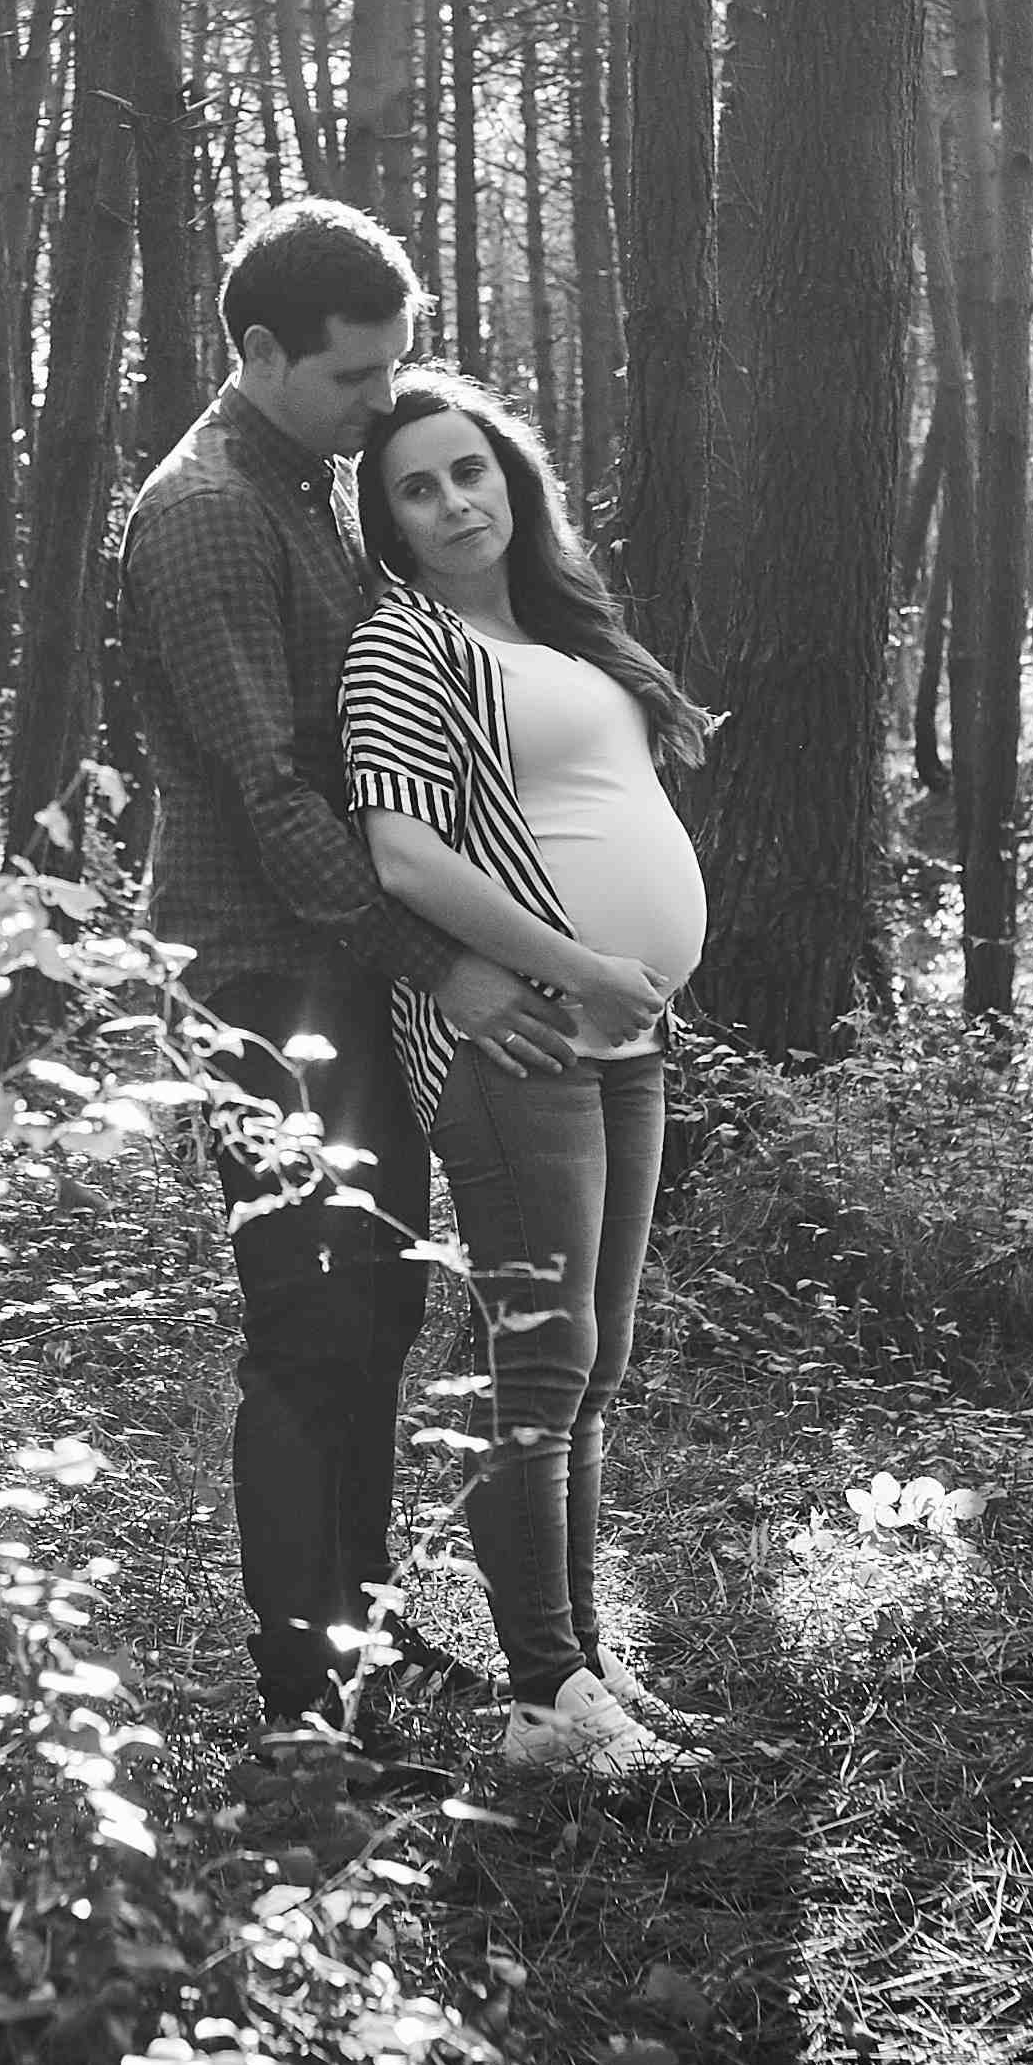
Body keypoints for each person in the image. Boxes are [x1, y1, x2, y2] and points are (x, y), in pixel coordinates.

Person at [116, 202, 576, 1778]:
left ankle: (359, 1640)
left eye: (395, 368)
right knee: (312, 1323)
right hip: (265, 975)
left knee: (374, 1307)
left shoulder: (300, 481)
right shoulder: (205, 516)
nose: (386, 403)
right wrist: (443, 963)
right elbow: (271, 796)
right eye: (355, 376)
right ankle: (301, 1712)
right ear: (259, 353)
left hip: (338, 964)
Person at [339, 366, 724, 1778]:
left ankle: (584, 1673)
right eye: (416, 489)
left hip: (622, 1036)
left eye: (469, 471)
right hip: (518, 1038)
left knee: (594, 1365)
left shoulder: (561, 629)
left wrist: (625, 983)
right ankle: (543, 1694)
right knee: (544, 1362)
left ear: (513, 476)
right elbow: (403, 857)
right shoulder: (404, 645)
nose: (453, 503)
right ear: (386, 521)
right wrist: (577, 965)